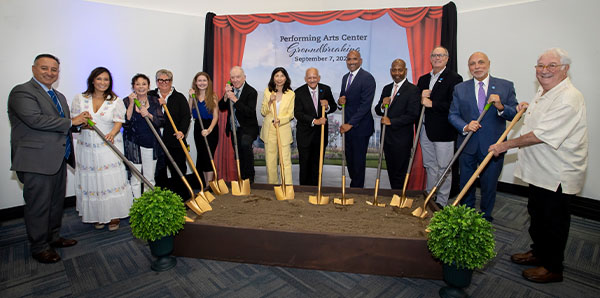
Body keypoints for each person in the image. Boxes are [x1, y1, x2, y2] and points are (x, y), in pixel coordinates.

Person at [489, 48, 587, 283]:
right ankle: (538, 253)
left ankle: (553, 267)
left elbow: (539, 135)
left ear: (565, 69)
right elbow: (534, 119)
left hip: (557, 173)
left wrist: (505, 145)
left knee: (554, 221)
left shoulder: (569, 97)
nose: (544, 71)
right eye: (540, 66)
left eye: (551, 66)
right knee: (538, 215)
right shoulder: (544, 92)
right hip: (539, 171)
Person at [8, 54, 91, 263]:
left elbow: (63, 123)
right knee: (38, 205)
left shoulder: (59, 96)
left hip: (57, 159)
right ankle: (39, 246)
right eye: (44, 68)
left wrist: (79, 124)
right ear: (34, 69)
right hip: (36, 160)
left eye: (54, 69)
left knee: (55, 203)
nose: (50, 73)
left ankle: (53, 237)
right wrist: (72, 121)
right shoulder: (22, 92)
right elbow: (35, 120)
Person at [448, 52, 518, 221]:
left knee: (489, 184)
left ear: (488, 64)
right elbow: (453, 115)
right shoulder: (460, 88)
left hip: (493, 146)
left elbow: (514, 114)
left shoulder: (505, 86)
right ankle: (467, 214)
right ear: (468, 67)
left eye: (480, 62)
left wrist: (501, 106)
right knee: (466, 183)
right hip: (467, 144)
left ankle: (486, 215)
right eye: (472, 64)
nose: (476, 66)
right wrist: (465, 126)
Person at [72, 67, 133, 231]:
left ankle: (113, 215)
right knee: (94, 182)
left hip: (108, 145)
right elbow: (75, 120)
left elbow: (119, 121)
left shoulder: (115, 100)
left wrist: (112, 133)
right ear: (92, 80)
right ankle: (98, 215)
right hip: (87, 146)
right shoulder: (80, 98)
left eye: (106, 79)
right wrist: (84, 123)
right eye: (99, 79)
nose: (102, 82)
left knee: (109, 181)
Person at [417, 46, 463, 207]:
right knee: (430, 165)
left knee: (444, 167)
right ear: (430, 58)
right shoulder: (423, 79)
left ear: (447, 58)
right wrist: (420, 98)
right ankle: (429, 196)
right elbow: (418, 104)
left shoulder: (455, 79)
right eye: (434, 55)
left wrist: (432, 103)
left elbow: (454, 105)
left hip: (444, 131)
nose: (437, 58)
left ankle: (442, 202)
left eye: (441, 55)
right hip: (425, 129)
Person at [374, 59, 420, 189]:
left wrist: (392, 121)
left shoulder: (413, 90)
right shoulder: (387, 88)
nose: (397, 73)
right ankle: (394, 195)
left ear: (405, 71)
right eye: (394, 70)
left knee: (400, 173)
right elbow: (378, 110)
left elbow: (413, 115)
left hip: (401, 140)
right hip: (386, 139)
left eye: (400, 70)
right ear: (390, 71)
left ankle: (399, 197)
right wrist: (383, 105)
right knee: (391, 171)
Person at [149, 69, 191, 199]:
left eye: (166, 80)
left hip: (174, 141)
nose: (163, 83)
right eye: (160, 80)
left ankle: (182, 199)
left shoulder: (179, 97)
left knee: (178, 170)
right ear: (156, 82)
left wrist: (182, 131)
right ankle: (160, 200)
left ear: (171, 81)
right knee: (158, 172)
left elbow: (186, 117)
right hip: (155, 141)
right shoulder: (150, 96)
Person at [338, 50, 376, 188]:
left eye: (354, 59)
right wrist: (340, 101)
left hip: (360, 127)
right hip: (347, 127)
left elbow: (365, 105)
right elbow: (344, 99)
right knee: (350, 160)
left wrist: (351, 124)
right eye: (348, 59)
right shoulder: (345, 78)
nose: (351, 62)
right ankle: (355, 186)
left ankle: (357, 191)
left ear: (360, 61)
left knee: (358, 161)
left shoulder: (367, 78)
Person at [123, 74, 165, 198]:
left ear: (148, 86)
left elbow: (161, 121)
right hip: (133, 144)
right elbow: (125, 122)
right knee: (135, 178)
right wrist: (131, 104)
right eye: (137, 84)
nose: (141, 87)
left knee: (149, 178)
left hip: (150, 143)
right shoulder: (126, 101)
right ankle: (137, 206)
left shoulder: (154, 100)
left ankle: (148, 205)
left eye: (144, 84)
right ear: (133, 86)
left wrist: (149, 115)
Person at [294, 68, 337, 186]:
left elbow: (333, 106)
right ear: (305, 79)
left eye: (314, 77)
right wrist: (314, 121)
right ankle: (304, 190)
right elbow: (298, 113)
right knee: (305, 164)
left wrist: (327, 107)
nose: (312, 80)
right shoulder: (298, 92)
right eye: (309, 78)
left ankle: (316, 189)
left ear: (319, 78)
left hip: (320, 135)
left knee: (317, 164)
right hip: (304, 135)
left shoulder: (326, 89)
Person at [218, 66, 259, 184]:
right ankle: (241, 179)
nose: (235, 80)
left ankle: (249, 180)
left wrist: (235, 99)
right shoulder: (230, 90)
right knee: (238, 153)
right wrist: (226, 95)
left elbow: (249, 112)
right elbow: (221, 107)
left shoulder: (251, 92)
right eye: (232, 77)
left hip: (248, 129)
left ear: (244, 77)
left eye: (238, 77)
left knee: (245, 147)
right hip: (234, 129)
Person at [260, 67, 295, 185]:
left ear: (286, 78)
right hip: (269, 130)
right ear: (273, 78)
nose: (279, 78)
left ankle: (287, 186)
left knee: (285, 161)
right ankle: (273, 186)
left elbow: (290, 114)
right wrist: (270, 101)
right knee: (270, 161)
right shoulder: (267, 91)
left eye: (282, 76)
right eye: (277, 76)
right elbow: (263, 112)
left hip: (283, 130)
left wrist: (281, 120)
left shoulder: (291, 94)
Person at [188, 72, 219, 186]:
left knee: (208, 156)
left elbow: (216, 116)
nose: (202, 83)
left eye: (204, 80)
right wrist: (191, 98)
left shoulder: (213, 96)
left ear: (208, 82)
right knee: (202, 156)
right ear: (196, 82)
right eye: (199, 81)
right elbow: (188, 111)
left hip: (211, 128)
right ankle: (205, 184)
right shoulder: (194, 96)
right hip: (198, 128)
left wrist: (209, 130)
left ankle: (209, 185)